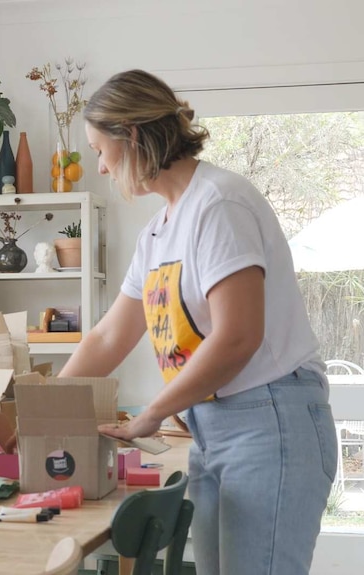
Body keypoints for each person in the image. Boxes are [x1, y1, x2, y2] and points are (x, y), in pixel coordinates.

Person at [60, 69, 337, 575]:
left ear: (134, 136)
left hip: (269, 419)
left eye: (100, 150)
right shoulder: (158, 232)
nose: (99, 167)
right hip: (212, 426)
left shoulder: (219, 204)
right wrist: (46, 408)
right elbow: (109, 335)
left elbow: (238, 336)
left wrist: (151, 411)